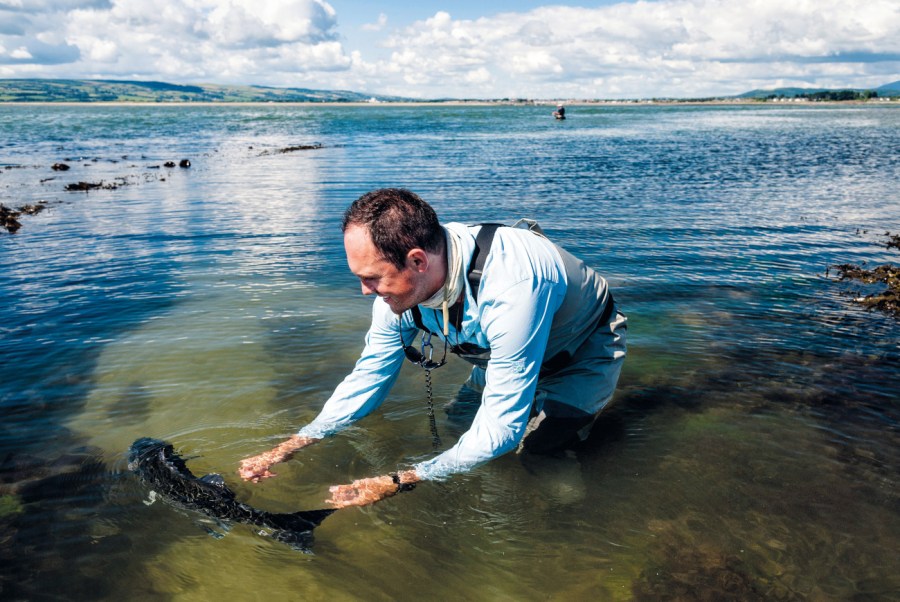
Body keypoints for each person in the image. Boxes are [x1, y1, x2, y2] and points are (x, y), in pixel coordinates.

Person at [238, 188, 626, 508]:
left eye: (372, 278)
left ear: (418, 260)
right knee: (459, 425)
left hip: (580, 355)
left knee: (539, 455)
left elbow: (501, 429)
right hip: (498, 357)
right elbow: (367, 379)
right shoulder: (398, 292)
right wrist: (292, 445)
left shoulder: (514, 286)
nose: (364, 291)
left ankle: (569, 520)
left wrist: (399, 480)